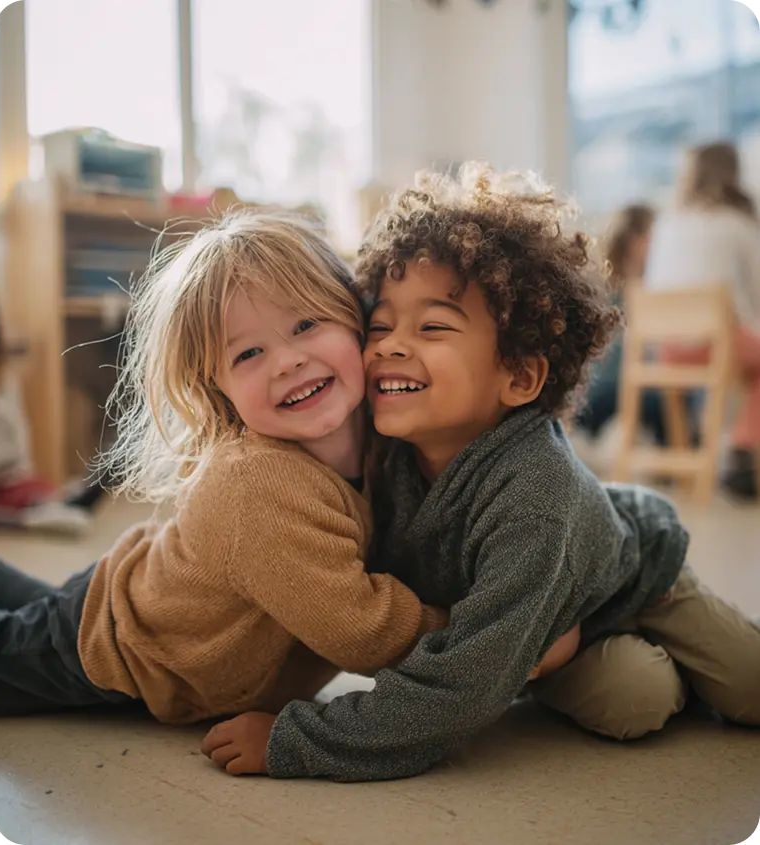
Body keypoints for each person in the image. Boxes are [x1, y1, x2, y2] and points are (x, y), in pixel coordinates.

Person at [202, 164, 760, 781]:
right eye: (380, 325)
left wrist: (297, 741)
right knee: (636, 701)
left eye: (433, 327)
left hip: (633, 576)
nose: (388, 345)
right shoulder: (372, 442)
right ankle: (598, 658)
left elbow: (460, 688)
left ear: (518, 377)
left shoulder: (536, 496)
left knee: (750, 686)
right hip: (537, 615)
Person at [0, 208, 572, 719]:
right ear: (215, 387)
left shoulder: (385, 431)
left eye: (306, 325)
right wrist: (496, 646)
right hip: (124, 649)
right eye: (248, 353)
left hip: (132, 585)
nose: (288, 362)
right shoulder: (257, 485)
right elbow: (363, 630)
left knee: (33, 600)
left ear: (354, 319)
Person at [646, 142, 760, 500]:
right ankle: (743, 451)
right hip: (718, 345)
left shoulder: (667, 224)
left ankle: (694, 453)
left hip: (666, 348)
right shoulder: (737, 223)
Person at [0, 297, 95, 535]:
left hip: (7, 480)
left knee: (40, 492)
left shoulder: (5, 381)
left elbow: (18, 447)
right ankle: (28, 517)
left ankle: (50, 506)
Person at [574, 203, 668, 448]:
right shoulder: (631, 293)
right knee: (672, 398)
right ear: (634, 241)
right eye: (652, 237)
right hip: (610, 392)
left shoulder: (604, 287)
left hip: (589, 396)